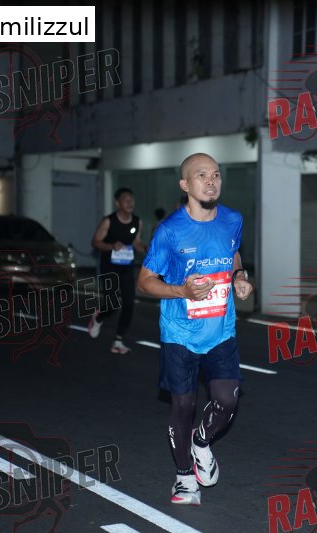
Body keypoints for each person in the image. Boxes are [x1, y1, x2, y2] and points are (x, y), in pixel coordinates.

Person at [137, 153, 253, 505]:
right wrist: (182, 291)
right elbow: (145, 281)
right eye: (201, 175)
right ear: (185, 185)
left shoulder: (233, 220)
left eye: (216, 174)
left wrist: (239, 276)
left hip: (221, 330)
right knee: (183, 407)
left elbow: (233, 253)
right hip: (180, 334)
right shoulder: (170, 230)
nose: (211, 181)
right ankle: (184, 477)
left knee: (227, 399)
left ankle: (201, 442)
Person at [89, 187, 146, 354]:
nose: (129, 202)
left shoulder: (137, 221)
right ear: (117, 203)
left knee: (129, 303)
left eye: (131, 199)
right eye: (125, 199)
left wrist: (145, 248)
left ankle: (118, 341)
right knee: (112, 304)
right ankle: (98, 318)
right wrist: (111, 246)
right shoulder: (109, 221)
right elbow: (95, 242)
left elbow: (136, 241)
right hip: (109, 268)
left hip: (127, 267)